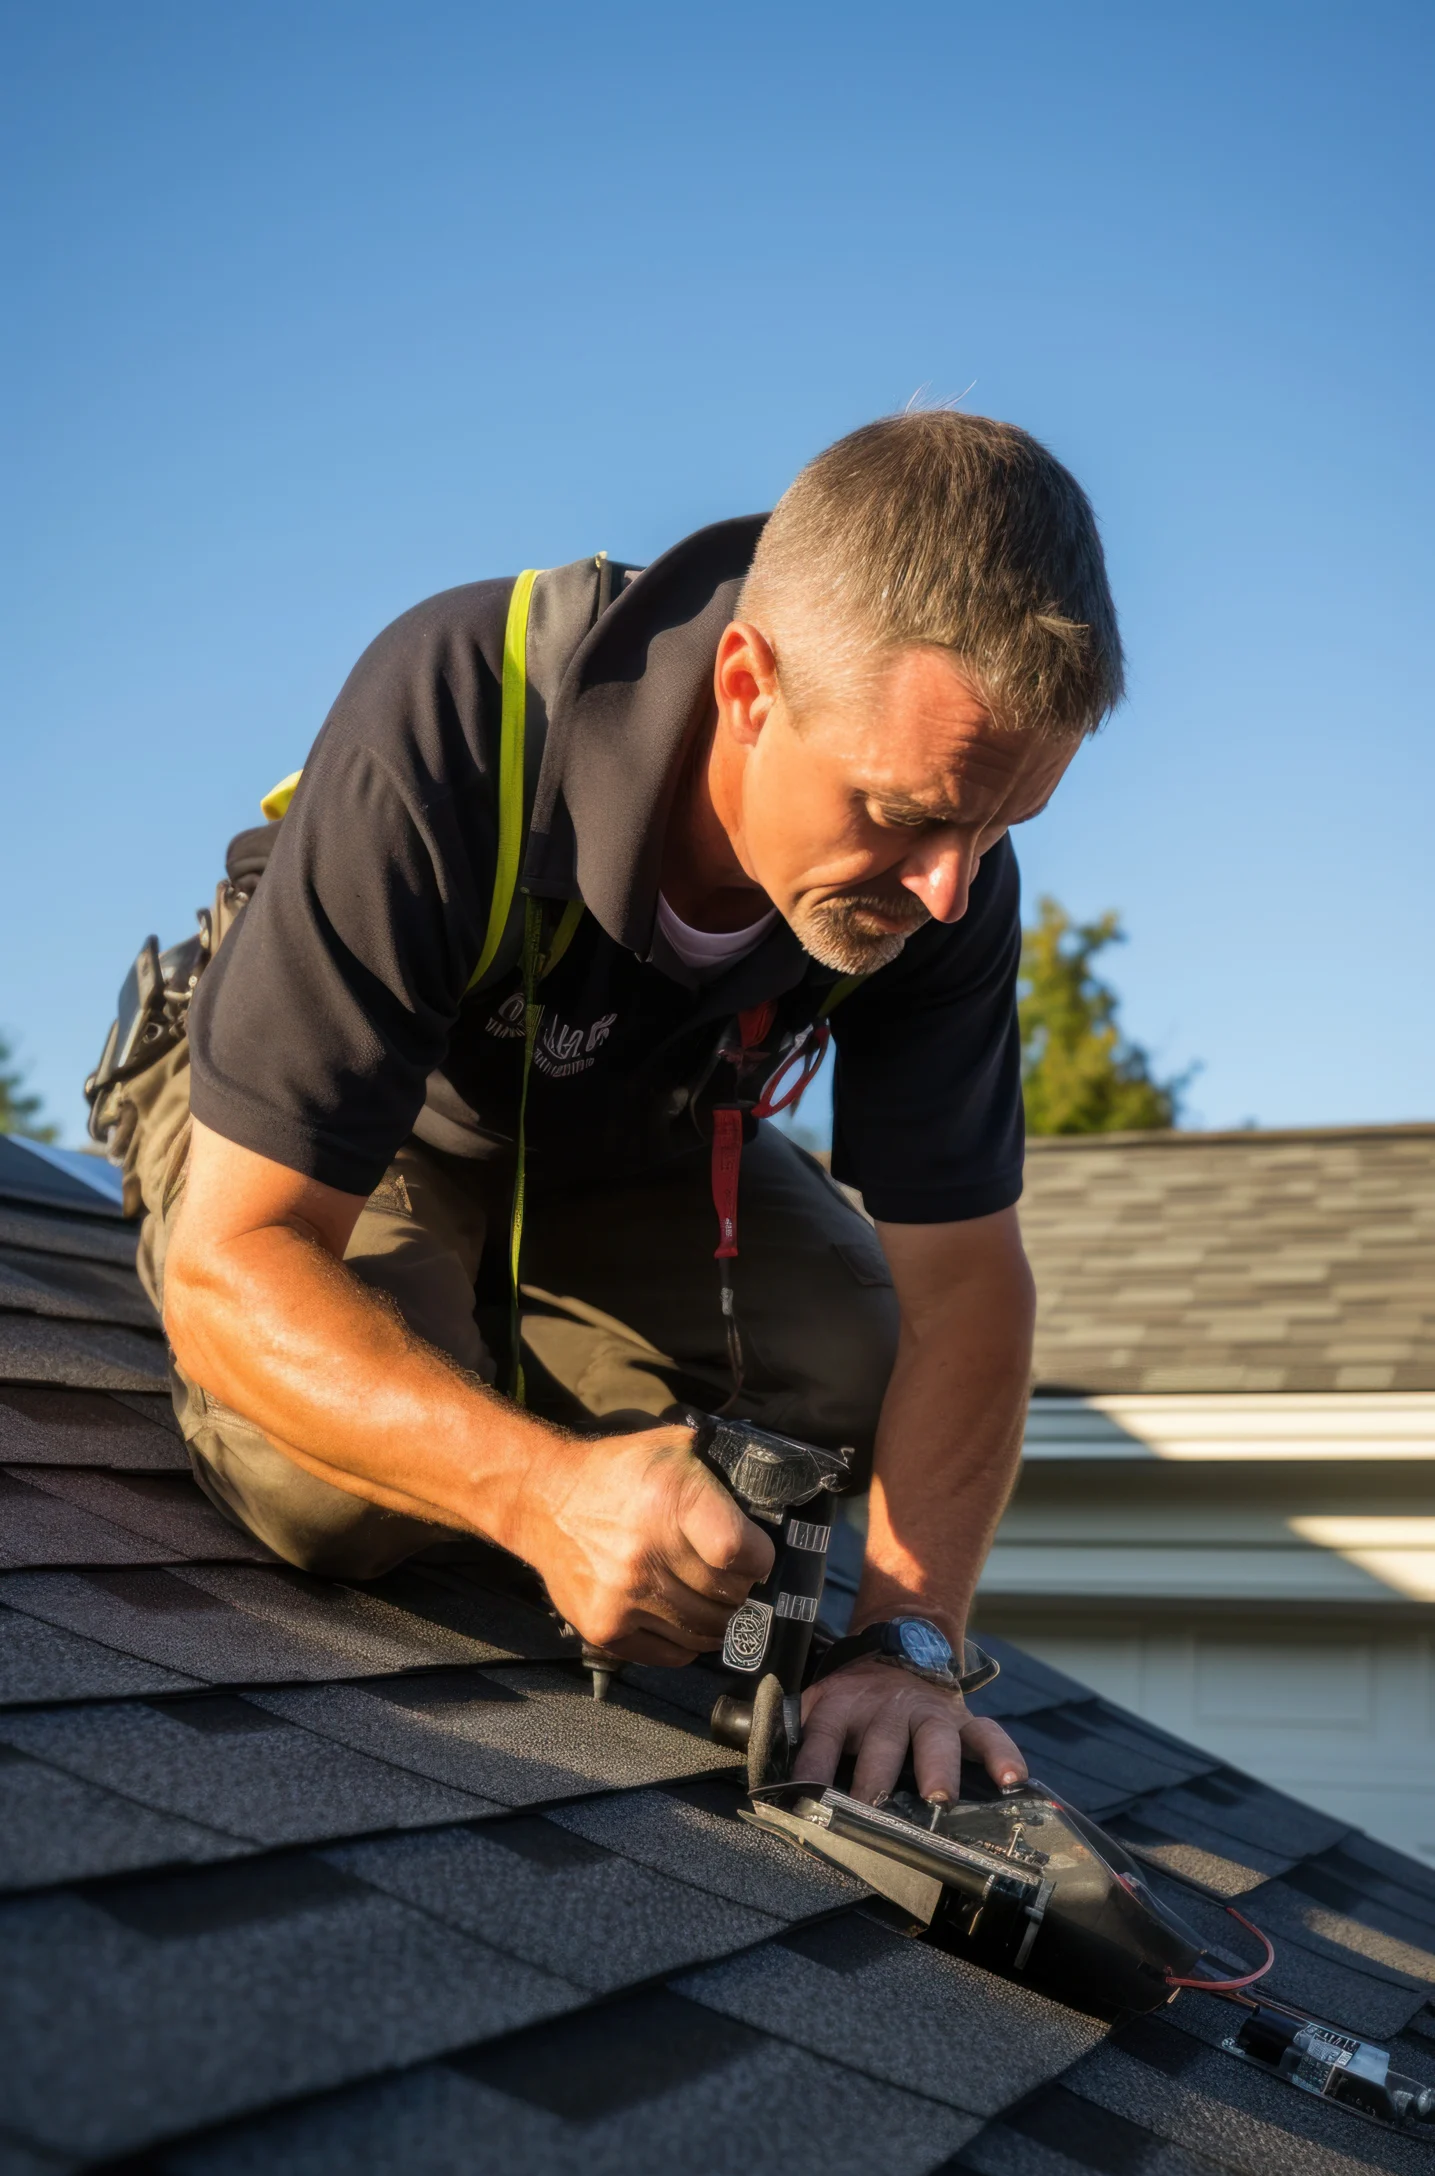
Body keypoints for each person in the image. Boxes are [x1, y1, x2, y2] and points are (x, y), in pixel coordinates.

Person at [100, 411, 1123, 1808]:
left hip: (627, 1146)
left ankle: (487, 1372)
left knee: (845, 1380)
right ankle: (495, 1396)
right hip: (362, 1134)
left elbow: (968, 1292)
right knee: (327, 1491)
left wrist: (904, 1643)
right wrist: (541, 1496)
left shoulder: (943, 874)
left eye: (999, 830)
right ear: (748, 684)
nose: (949, 888)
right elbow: (243, 1256)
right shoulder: (463, 708)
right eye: (901, 814)